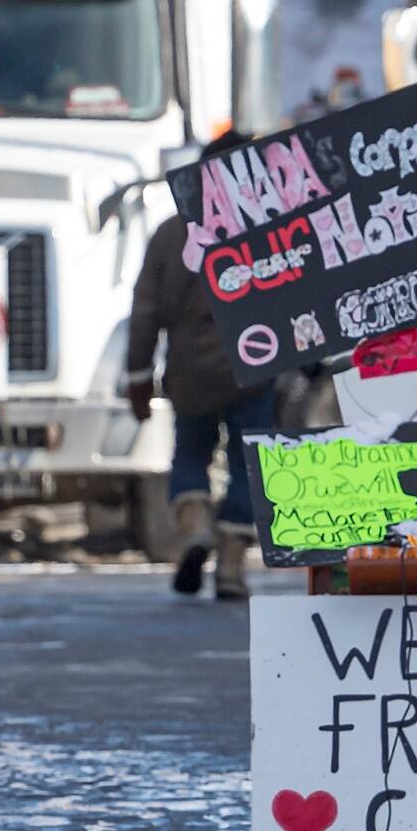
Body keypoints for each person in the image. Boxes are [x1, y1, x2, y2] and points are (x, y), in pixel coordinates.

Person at [127, 133, 278, 601]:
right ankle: (231, 564)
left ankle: (194, 528)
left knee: (190, 455)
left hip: (189, 372)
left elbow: (146, 310)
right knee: (248, 466)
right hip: (255, 367)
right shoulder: (269, 230)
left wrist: (137, 375)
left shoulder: (172, 233)